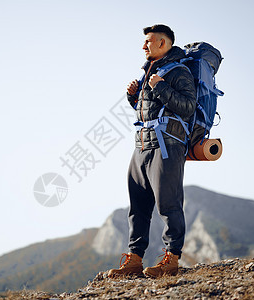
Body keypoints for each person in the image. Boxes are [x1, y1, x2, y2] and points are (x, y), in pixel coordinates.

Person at [108, 24, 197, 278]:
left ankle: (172, 259)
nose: (143, 46)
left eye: (148, 41)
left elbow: (188, 106)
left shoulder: (179, 71)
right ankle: (134, 260)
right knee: (137, 206)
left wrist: (160, 86)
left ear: (162, 43)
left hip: (168, 144)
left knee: (169, 204)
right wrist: (133, 97)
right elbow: (150, 110)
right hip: (142, 145)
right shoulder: (151, 72)